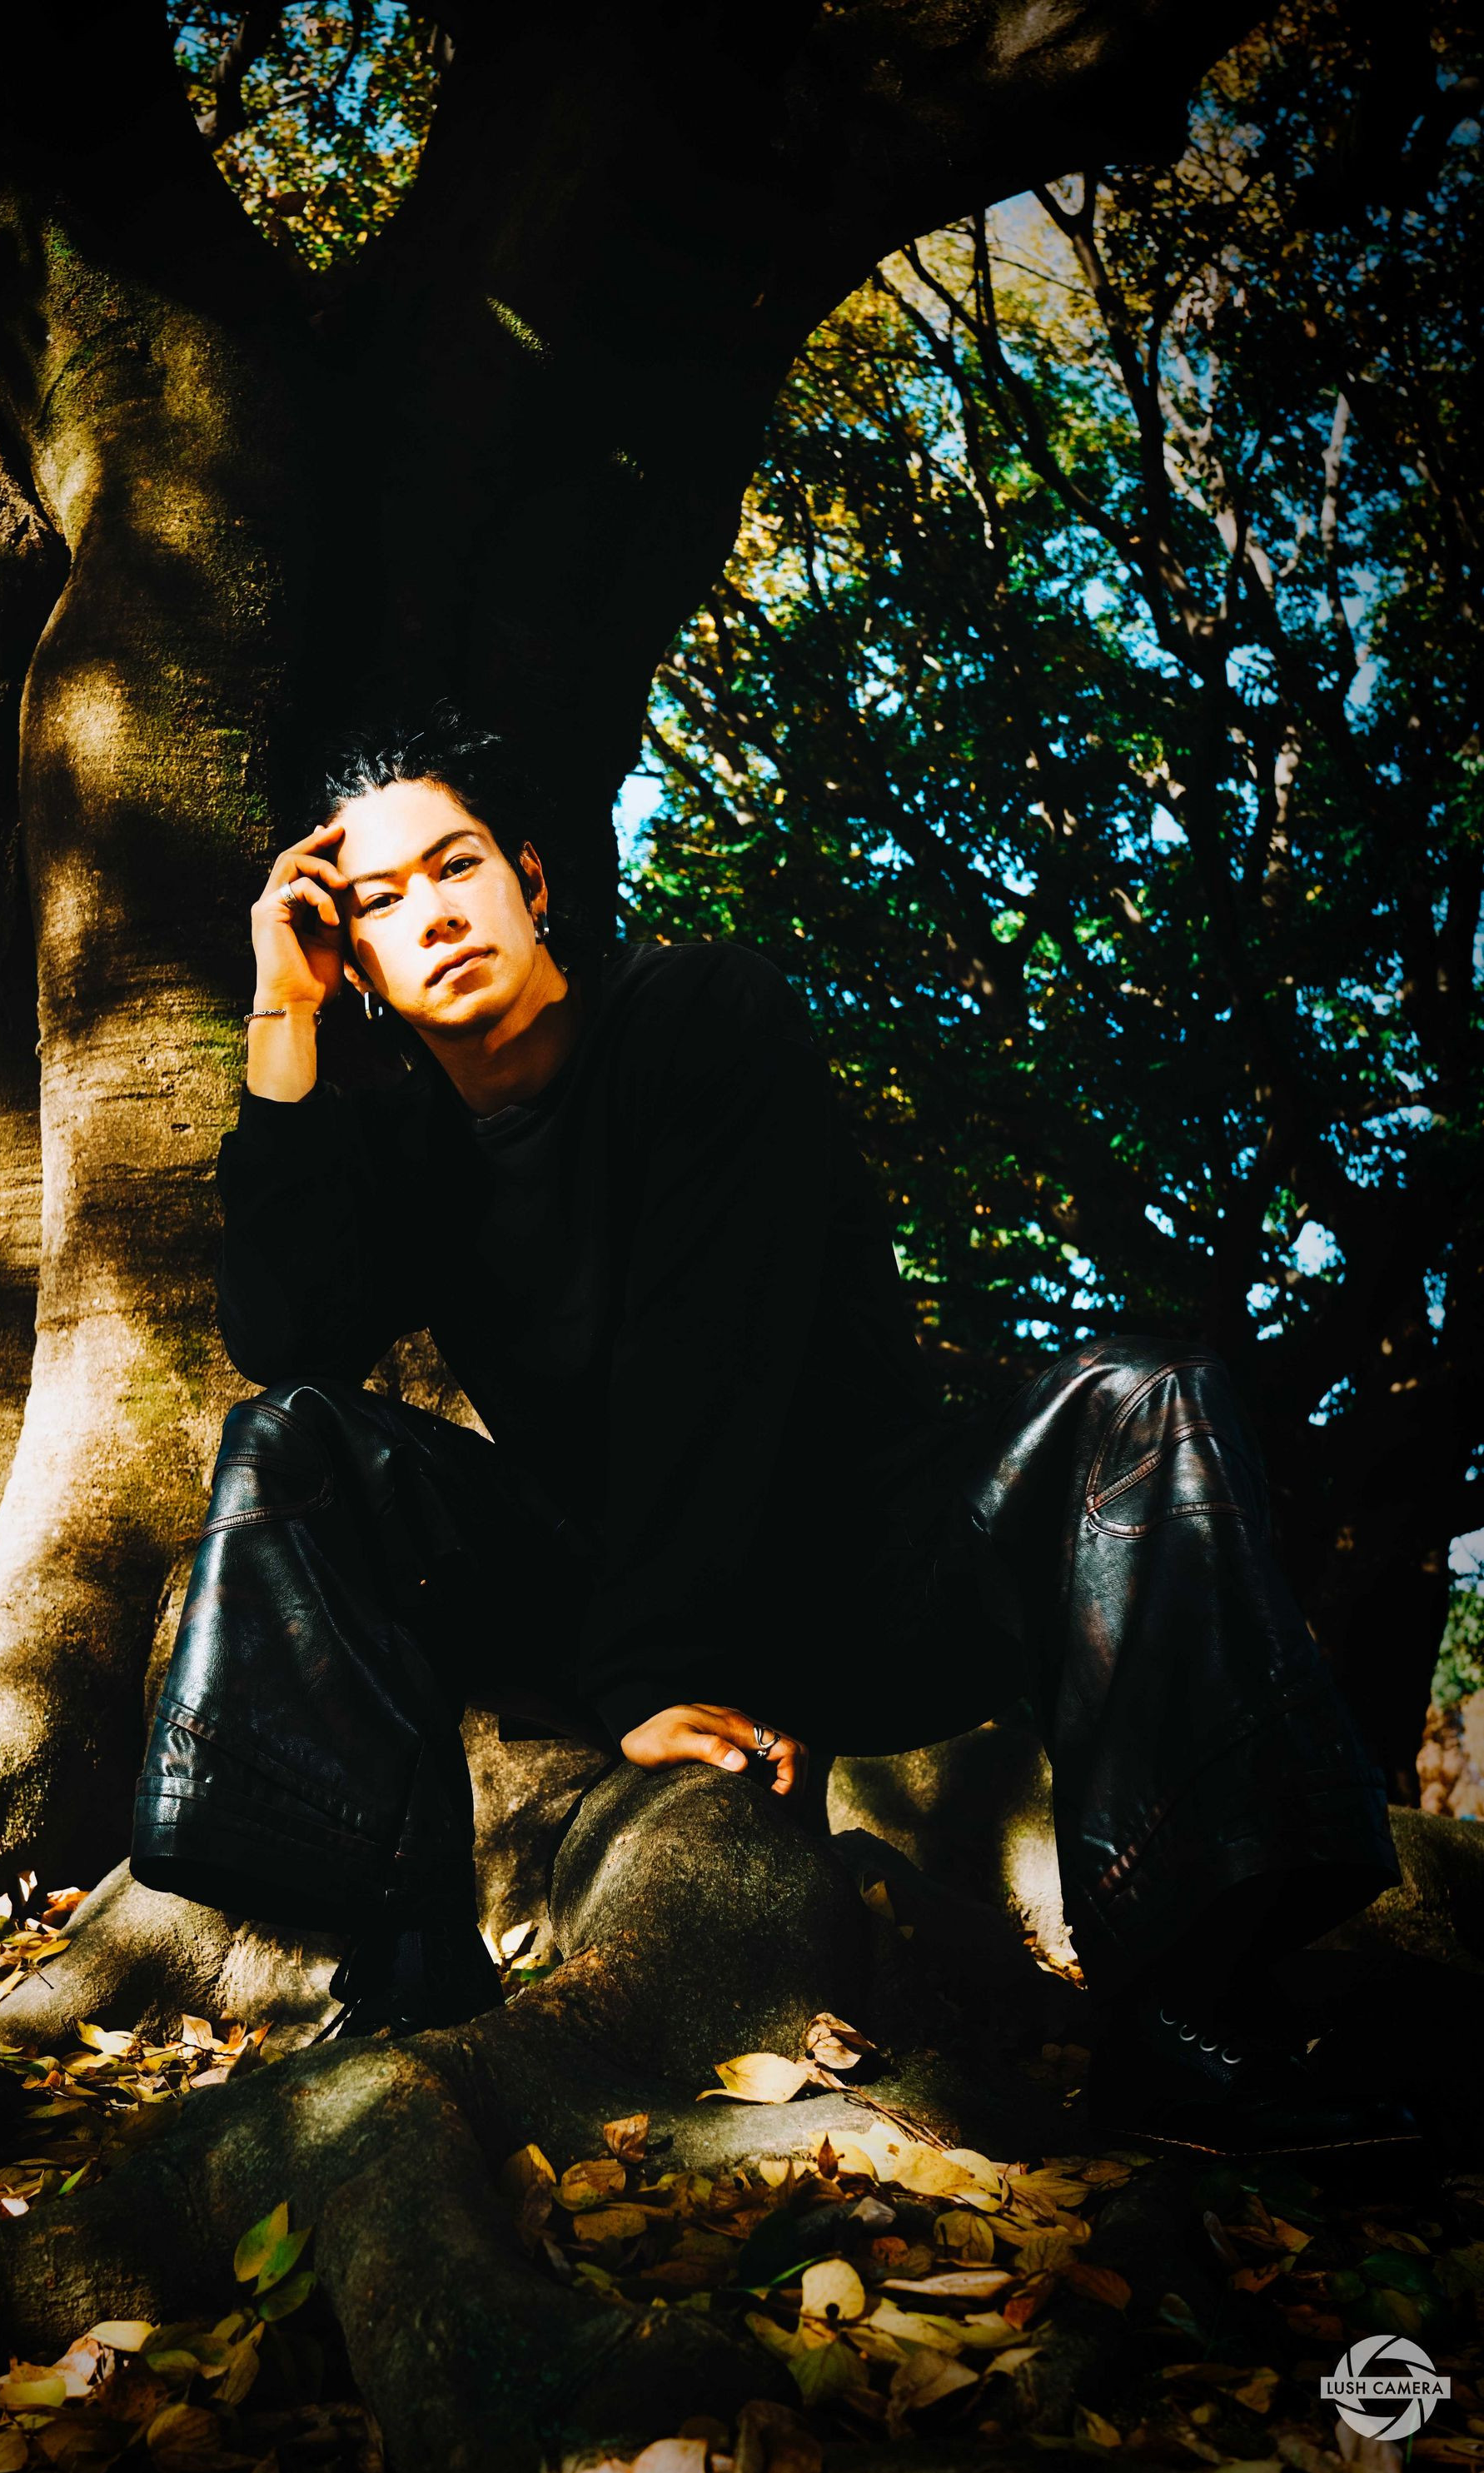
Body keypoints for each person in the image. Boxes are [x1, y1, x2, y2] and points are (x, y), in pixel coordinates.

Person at [131, 710, 1411, 2153]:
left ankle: (1189, 2013)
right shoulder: (400, 1146)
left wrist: (657, 1674)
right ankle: (406, 1970)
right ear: (354, 956)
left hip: (858, 1572)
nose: (431, 913)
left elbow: (712, 1355)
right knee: (292, 1442)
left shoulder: (697, 1013)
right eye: (376, 902)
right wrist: (282, 1017)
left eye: (456, 865)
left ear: (530, 879)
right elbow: (284, 1333)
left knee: (1144, 1395)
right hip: (603, 1593)